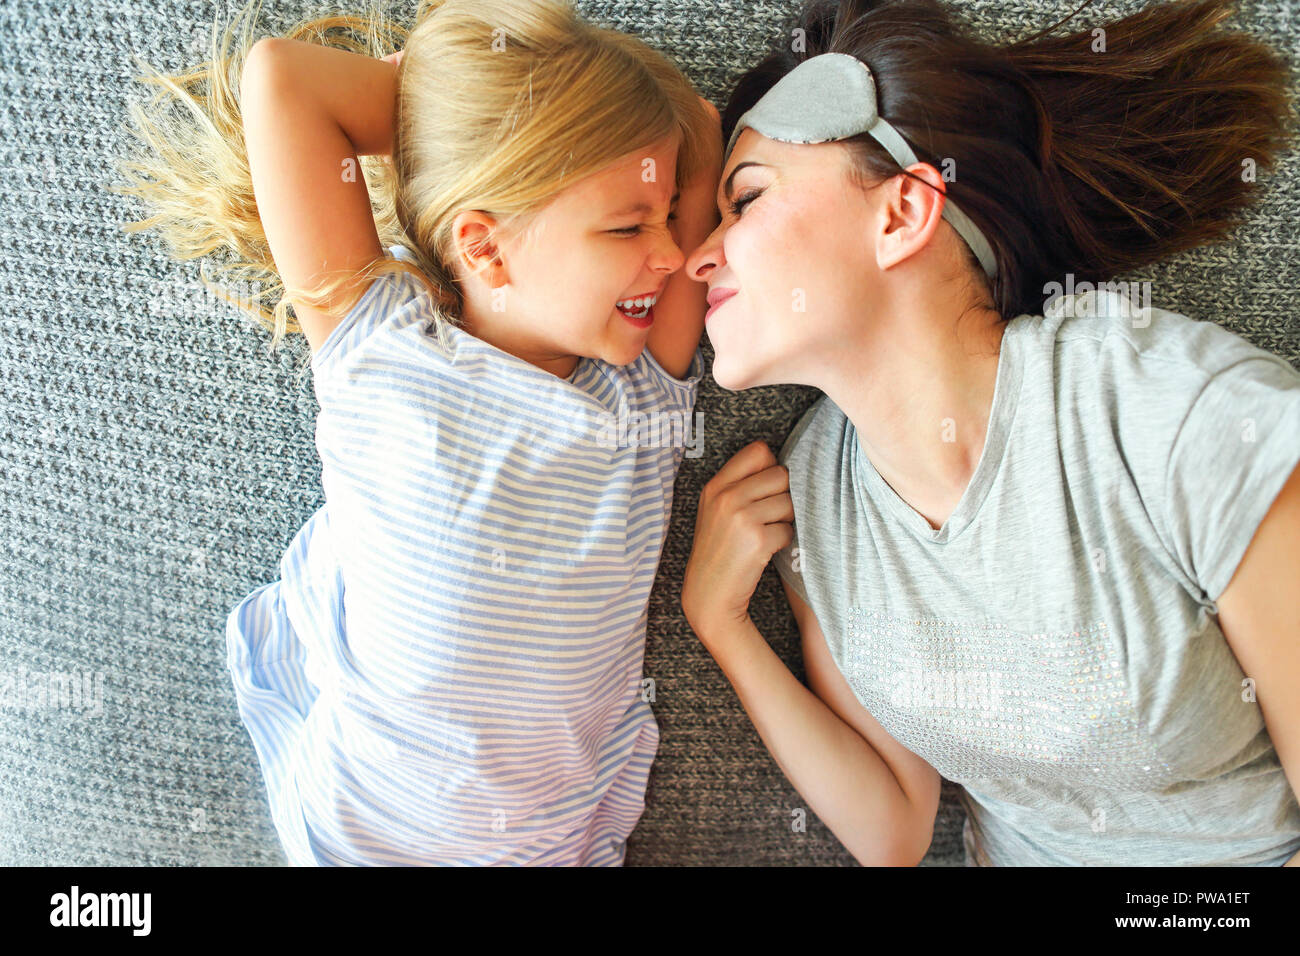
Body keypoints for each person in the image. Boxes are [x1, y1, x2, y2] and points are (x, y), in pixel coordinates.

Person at [680, 0, 1300, 866]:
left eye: (744, 199)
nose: (697, 256)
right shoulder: (816, 488)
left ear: (901, 215)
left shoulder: (1182, 420)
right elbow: (893, 826)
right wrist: (720, 622)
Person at [114, 0, 721, 864]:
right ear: (485, 247)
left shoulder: (642, 398)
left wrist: (589, 130)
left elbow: (697, 126)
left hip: (550, 846)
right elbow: (284, 81)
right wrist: (457, 118)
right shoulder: (383, 352)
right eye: (628, 225)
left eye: (664, 220)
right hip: (362, 826)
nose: (674, 255)